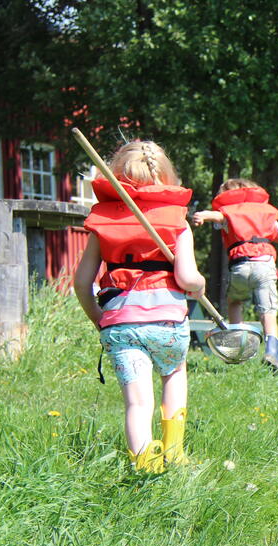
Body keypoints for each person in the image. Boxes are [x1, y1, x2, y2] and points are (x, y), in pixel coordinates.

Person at [72, 140, 206, 473]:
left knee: (136, 402)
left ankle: (144, 465)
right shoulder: (176, 221)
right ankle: (174, 452)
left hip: (120, 325)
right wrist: (200, 285)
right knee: (174, 373)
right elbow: (187, 278)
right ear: (166, 177)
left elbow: (81, 283)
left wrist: (98, 319)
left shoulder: (103, 225)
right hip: (167, 325)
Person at [191, 178, 278, 377]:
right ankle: (272, 351)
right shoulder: (265, 211)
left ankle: (237, 345)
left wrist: (201, 216)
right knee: (268, 311)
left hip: (240, 266)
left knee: (235, 301)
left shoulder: (229, 212)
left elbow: (216, 216)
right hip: (264, 266)